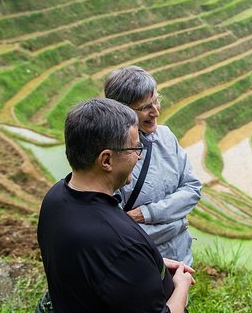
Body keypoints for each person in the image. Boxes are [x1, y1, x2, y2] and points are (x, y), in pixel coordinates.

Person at [37, 98, 194, 312]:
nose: (139, 156)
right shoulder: (121, 242)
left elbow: (92, 267)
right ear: (106, 160)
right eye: (134, 148)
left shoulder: (55, 199)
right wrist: (181, 286)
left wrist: (150, 262)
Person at [104, 66, 202, 265]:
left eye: (156, 100)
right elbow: (117, 229)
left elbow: (192, 189)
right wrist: (178, 222)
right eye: (145, 107)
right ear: (121, 110)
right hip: (141, 263)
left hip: (182, 257)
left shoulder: (166, 136)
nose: (155, 111)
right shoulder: (113, 156)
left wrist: (146, 214)